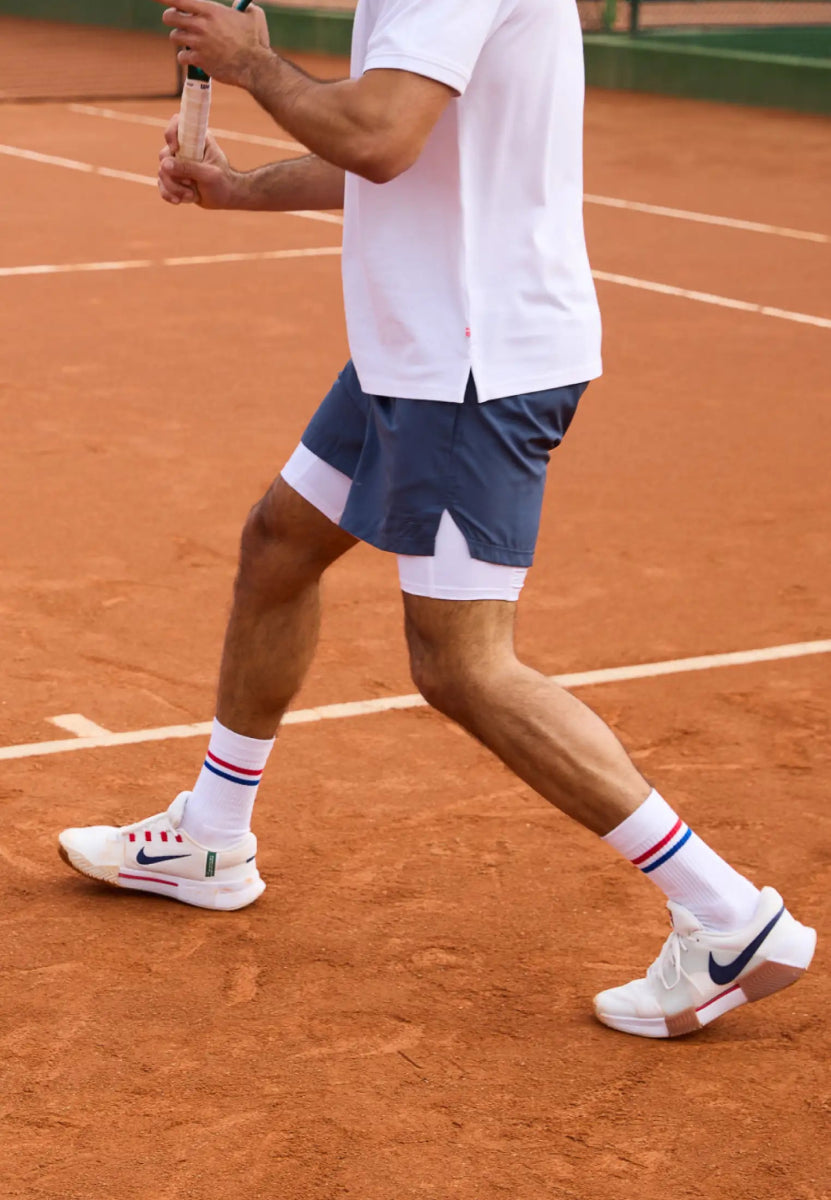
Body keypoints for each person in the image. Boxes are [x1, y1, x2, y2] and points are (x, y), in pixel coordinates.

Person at [58, 0, 815, 1038]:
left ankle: (726, 913)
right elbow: (399, 156)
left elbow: (378, 135)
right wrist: (243, 190)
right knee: (281, 541)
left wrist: (254, 65)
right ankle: (213, 838)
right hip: (408, 350)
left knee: (461, 663)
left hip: (472, 365)